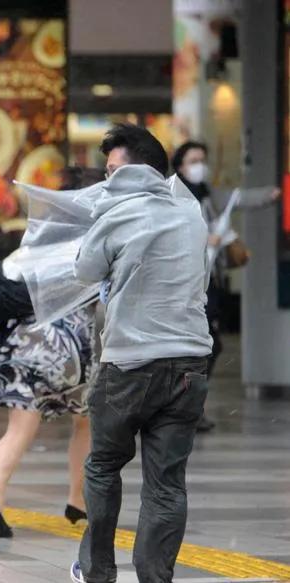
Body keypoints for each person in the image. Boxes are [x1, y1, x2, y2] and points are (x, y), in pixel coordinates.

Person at [69, 124, 213, 583]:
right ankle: (155, 577)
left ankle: (98, 572)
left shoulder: (115, 213)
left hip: (129, 363)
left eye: (113, 169)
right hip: (189, 363)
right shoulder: (190, 212)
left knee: (103, 467)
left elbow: (84, 269)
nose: (106, 178)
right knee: (167, 483)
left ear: (136, 171)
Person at [0, 167, 106, 539]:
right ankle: (76, 502)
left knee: (18, 431)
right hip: (69, 353)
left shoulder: (32, 246)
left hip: (18, 349)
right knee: (84, 424)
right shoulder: (91, 245)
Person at [171, 141, 279, 432]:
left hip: (209, 282)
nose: (200, 165)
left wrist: (272, 193)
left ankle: (187, 407)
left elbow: (239, 197)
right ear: (180, 166)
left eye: (202, 159)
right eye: (194, 160)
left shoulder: (208, 194)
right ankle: (182, 408)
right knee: (199, 347)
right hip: (185, 284)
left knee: (207, 346)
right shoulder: (172, 198)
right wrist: (204, 240)